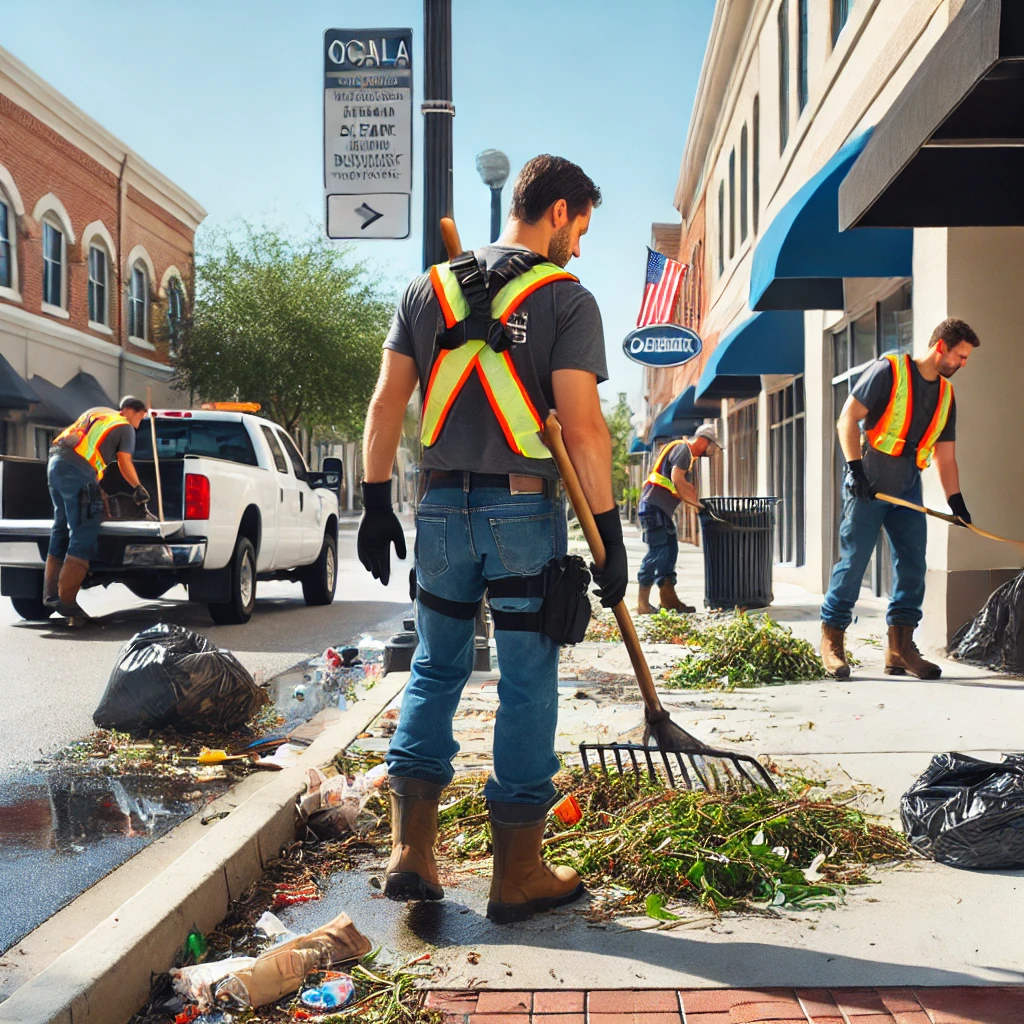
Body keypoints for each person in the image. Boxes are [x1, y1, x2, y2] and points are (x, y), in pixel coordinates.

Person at [357, 155, 623, 924]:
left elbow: (384, 407)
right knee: (526, 681)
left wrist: (378, 503)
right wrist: (608, 537)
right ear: (562, 211)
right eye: (582, 227)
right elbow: (583, 431)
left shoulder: (426, 289)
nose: (580, 245)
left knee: (436, 669)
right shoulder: (568, 301)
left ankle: (412, 851)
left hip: (438, 510)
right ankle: (518, 874)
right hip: (522, 516)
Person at [820, 318, 980, 680]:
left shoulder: (946, 395)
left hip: (907, 488)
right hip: (870, 483)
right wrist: (856, 471)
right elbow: (847, 419)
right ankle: (832, 639)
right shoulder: (888, 371)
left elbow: (945, 457)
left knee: (912, 566)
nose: (963, 364)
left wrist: (957, 503)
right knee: (853, 563)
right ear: (941, 347)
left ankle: (900, 648)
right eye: (961, 356)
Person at [44, 396, 150, 623]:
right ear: (132, 411)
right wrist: (138, 487)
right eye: (142, 416)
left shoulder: (99, 412)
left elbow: (86, 443)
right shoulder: (125, 426)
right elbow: (124, 462)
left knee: (61, 527)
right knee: (85, 529)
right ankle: (67, 601)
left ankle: (51, 594)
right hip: (77, 470)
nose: (140, 422)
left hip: (55, 464)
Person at [635, 424, 722, 615]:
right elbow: (677, 479)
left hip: (659, 510)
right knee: (658, 551)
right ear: (703, 440)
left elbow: (682, 484)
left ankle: (668, 599)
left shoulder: (686, 455)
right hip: (654, 509)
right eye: (713, 445)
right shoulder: (683, 450)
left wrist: (694, 499)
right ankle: (642, 603)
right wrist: (696, 504)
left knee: (670, 550)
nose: (713, 450)